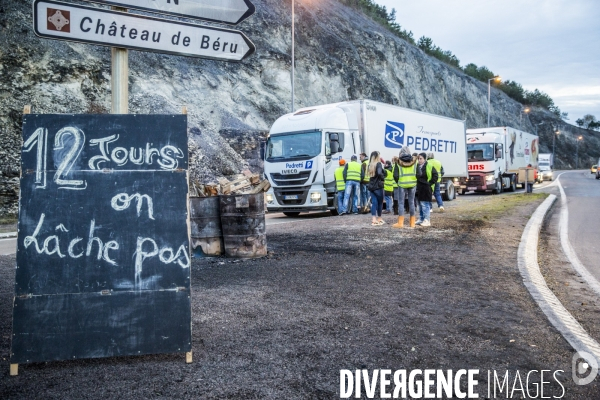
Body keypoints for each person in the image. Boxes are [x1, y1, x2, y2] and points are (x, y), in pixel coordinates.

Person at [393, 147, 418, 228]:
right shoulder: (415, 161)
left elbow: (395, 175)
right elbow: (419, 173)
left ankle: (400, 223)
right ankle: (412, 223)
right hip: (412, 184)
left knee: (401, 203)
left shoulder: (398, 161)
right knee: (411, 202)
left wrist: (399, 182)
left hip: (402, 184)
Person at [416, 152, 438, 227]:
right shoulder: (417, 166)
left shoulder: (429, 166)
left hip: (426, 188)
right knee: (420, 204)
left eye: (421, 158)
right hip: (419, 188)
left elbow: (435, 176)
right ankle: (421, 219)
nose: (419, 160)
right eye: (418, 159)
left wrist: (429, 184)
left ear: (425, 159)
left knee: (425, 204)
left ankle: (427, 220)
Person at [367, 151, 386, 225]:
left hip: (371, 186)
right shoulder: (378, 164)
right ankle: (379, 218)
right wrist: (383, 178)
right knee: (380, 203)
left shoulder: (370, 165)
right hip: (378, 186)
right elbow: (379, 173)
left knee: (374, 203)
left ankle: (373, 220)